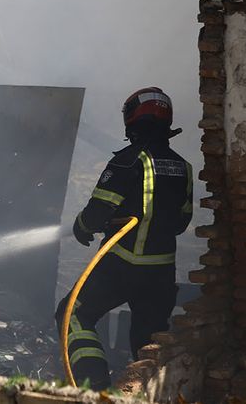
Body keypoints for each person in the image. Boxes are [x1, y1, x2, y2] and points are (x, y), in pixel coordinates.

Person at [55, 86, 193, 388]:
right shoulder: (183, 166)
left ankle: (93, 389)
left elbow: (95, 213)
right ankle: (145, 394)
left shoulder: (128, 161)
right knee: (147, 344)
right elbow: (181, 222)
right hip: (161, 273)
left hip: (121, 266)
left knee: (72, 314)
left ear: (133, 117)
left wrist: (81, 227)